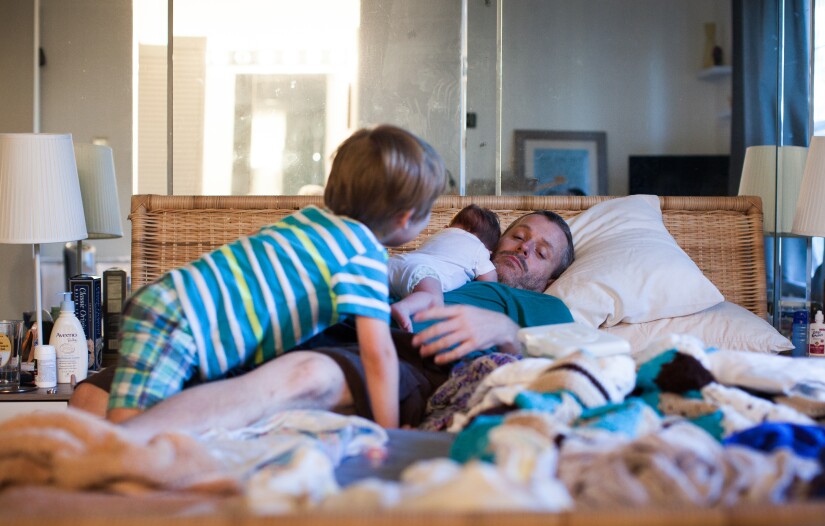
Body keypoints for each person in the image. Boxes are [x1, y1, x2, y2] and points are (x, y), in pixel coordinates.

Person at [71, 207, 575, 440]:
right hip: (337, 322)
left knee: (308, 376)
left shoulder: (548, 307)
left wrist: (501, 331)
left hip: (413, 356)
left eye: (541, 251)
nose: (523, 249)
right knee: (94, 395)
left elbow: (562, 354)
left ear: (554, 274)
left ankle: (122, 449)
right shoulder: (446, 264)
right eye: (518, 236)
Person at [101, 124, 447, 430]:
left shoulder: (310, 219)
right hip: (184, 322)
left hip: (168, 301)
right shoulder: (364, 255)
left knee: (139, 427)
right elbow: (379, 355)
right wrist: (389, 434)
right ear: (405, 219)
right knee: (133, 435)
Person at [389, 204, 500, 332]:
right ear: (489, 250)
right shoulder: (480, 249)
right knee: (433, 298)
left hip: (397, 261)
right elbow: (490, 282)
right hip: (423, 272)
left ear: (447, 227)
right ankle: (404, 307)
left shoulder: (441, 233)